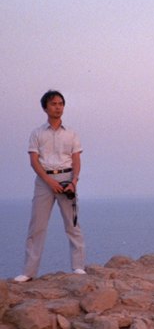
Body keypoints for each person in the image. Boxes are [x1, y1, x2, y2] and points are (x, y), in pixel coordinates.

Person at [14, 90, 86, 282]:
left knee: (73, 224)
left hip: (67, 180)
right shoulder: (37, 133)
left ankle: (78, 267)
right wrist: (49, 181)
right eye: (54, 104)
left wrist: (74, 181)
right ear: (45, 107)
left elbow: (77, 159)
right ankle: (28, 272)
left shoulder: (71, 133)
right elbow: (34, 161)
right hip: (45, 182)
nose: (58, 107)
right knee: (37, 226)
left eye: (61, 103)